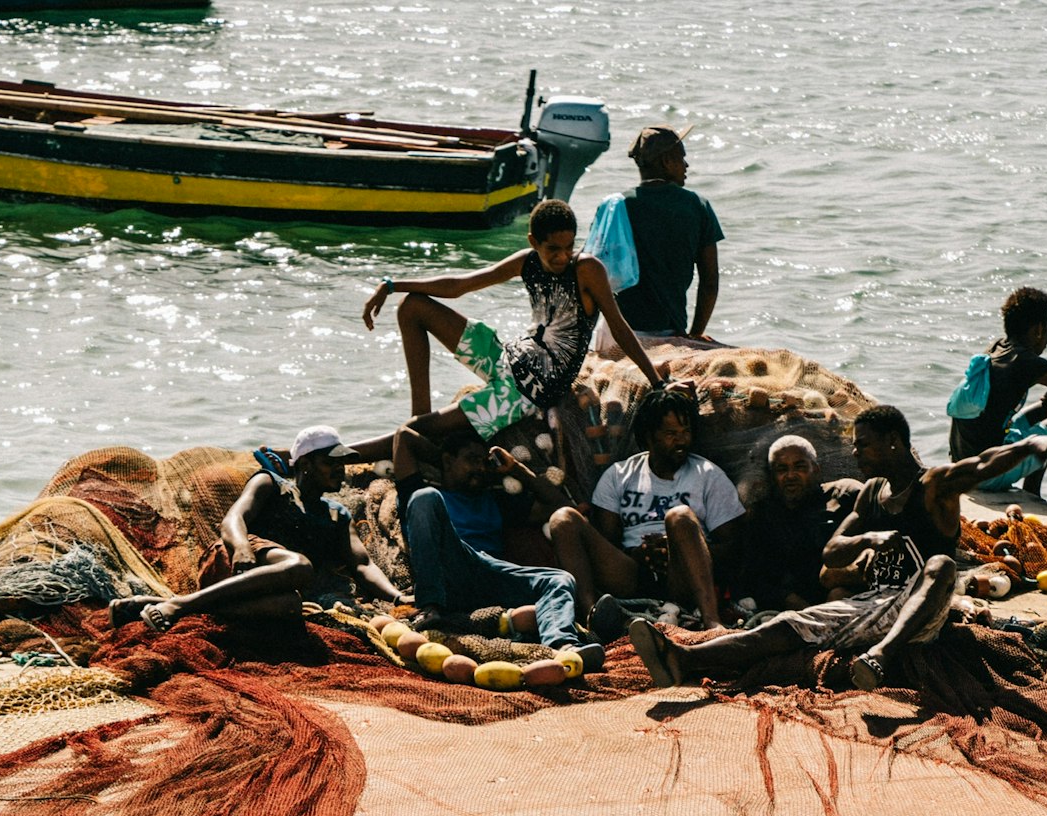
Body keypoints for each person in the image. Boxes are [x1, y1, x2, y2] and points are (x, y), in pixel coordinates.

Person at [629, 401, 1047, 690]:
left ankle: (882, 658)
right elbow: (833, 552)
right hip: (874, 604)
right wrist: (870, 539)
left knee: (941, 564)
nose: (857, 454)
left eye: (863, 445)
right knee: (788, 625)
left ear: (894, 443)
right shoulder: (871, 494)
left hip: (925, 611)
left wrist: (1034, 444)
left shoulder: (934, 486)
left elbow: (983, 462)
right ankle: (685, 659)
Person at [362, 198, 664, 444]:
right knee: (412, 306)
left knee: (416, 431)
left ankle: (351, 450)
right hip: (506, 356)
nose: (561, 257)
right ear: (533, 241)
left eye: (568, 247)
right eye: (552, 250)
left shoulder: (586, 270)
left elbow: (619, 326)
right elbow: (462, 284)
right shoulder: (527, 261)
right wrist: (392, 285)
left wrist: (657, 382)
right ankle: (420, 414)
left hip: (528, 392)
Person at [108, 425, 400, 631]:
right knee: (299, 565)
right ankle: (179, 606)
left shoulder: (337, 514)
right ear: (306, 463)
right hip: (235, 565)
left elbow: (362, 564)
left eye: (343, 463)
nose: (341, 470)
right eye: (330, 462)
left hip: (268, 590)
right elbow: (233, 519)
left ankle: (169, 604)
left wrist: (396, 597)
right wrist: (242, 547)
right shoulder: (271, 484)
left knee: (291, 606)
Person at [540, 381, 743, 630]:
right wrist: (639, 554)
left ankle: (712, 621)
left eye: (685, 432)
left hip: (683, 575)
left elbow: (734, 548)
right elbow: (607, 542)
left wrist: (679, 547)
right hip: (632, 573)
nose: (681, 441)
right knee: (562, 519)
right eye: (671, 434)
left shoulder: (708, 475)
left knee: (679, 516)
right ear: (649, 436)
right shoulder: (619, 475)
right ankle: (592, 619)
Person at [391, 420, 595, 661]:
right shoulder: (427, 496)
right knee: (424, 497)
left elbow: (562, 507)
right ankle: (430, 609)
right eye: (471, 460)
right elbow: (403, 436)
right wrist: (445, 459)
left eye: (484, 462)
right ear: (447, 461)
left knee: (559, 579)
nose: (480, 468)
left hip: (488, 575)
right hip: (448, 571)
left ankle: (562, 647)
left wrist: (516, 469)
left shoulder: (495, 501)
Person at [948, 285, 1047, 513]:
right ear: (1038, 330)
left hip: (964, 464)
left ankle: (1032, 493)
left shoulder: (996, 349)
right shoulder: (1030, 363)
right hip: (988, 473)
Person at [612, 124, 723, 343]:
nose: (686, 165)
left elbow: (596, 270)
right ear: (666, 162)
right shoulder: (697, 206)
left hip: (621, 334)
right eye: (682, 158)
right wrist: (695, 333)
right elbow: (710, 282)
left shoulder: (617, 205)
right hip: (671, 332)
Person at [736, 433, 849, 612]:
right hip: (790, 606)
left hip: (838, 594)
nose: (790, 476)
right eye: (782, 469)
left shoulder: (843, 495)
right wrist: (795, 604)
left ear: (816, 469)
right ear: (772, 476)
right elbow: (754, 577)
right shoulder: (763, 516)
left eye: (799, 467)